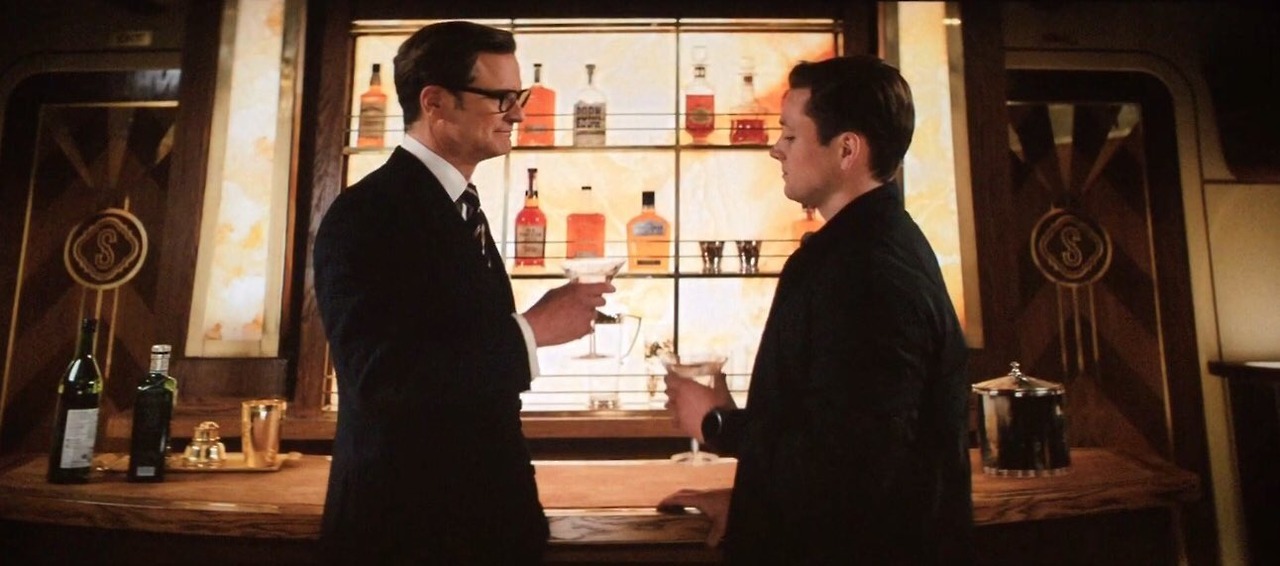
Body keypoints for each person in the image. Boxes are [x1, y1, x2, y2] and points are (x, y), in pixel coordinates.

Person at [313, 21, 612, 564]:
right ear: (436, 103)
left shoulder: (458, 205)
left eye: (518, 97)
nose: (517, 115)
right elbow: (381, 379)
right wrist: (532, 331)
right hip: (407, 536)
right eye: (501, 99)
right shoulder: (367, 214)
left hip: (482, 529)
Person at [660, 55, 973, 564]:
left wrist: (716, 424)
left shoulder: (865, 270)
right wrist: (752, 503)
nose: (775, 148)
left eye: (790, 134)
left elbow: (853, 469)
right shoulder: (881, 244)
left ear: (847, 149)